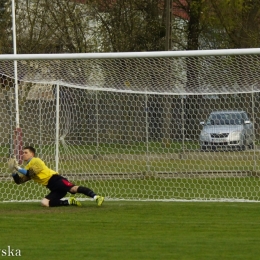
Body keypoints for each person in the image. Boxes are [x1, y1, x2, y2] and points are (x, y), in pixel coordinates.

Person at [10, 146, 104, 207]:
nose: (23, 154)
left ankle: (96, 197)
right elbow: (20, 181)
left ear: (32, 154)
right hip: (52, 187)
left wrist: (17, 167)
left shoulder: (36, 161)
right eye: (22, 153)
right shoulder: (26, 167)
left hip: (56, 180)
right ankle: (69, 201)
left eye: (26, 152)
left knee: (73, 189)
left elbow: (29, 173)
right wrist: (13, 172)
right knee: (45, 203)